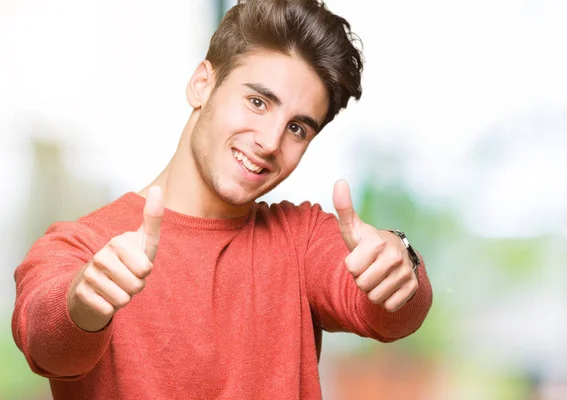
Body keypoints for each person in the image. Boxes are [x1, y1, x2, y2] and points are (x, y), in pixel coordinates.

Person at [12, 0, 433, 398]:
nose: (269, 142)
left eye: (297, 128)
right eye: (257, 101)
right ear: (202, 84)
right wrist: (84, 304)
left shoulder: (300, 238)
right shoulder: (81, 246)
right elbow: (46, 344)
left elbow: (389, 315)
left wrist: (401, 262)